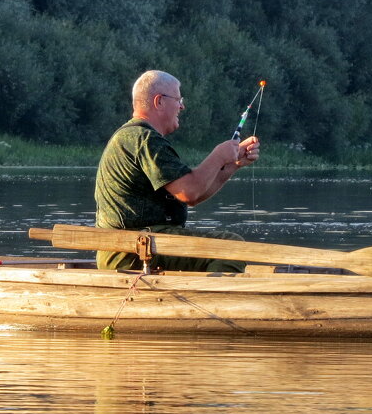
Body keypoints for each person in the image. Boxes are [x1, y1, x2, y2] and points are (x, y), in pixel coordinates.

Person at [94, 70, 260, 272]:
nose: (182, 106)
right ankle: (210, 301)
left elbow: (192, 196)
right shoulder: (143, 138)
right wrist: (218, 155)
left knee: (227, 247)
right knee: (232, 247)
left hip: (138, 246)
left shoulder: (139, 137)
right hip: (131, 251)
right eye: (178, 99)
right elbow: (189, 191)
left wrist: (232, 165)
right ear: (159, 102)